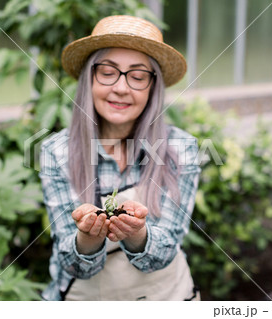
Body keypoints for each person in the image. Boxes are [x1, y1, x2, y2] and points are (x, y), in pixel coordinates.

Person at [39, 15, 201, 301]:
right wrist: (88, 237)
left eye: (138, 77)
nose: (122, 88)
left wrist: (138, 234)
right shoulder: (57, 152)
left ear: (153, 88)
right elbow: (72, 262)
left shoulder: (182, 148)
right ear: (89, 78)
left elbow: (166, 249)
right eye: (107, 72)